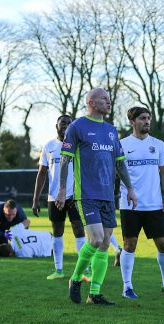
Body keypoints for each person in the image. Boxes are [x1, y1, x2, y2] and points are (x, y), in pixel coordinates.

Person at [56, 87, 137, 306]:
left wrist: (130, 188)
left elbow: (120, 162)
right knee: (95, 239)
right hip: (87, 194)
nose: (109, 102)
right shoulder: (77, 127)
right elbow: (65, 159)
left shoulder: (111, 130)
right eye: (104, 99)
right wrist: (62, 189)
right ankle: (75, 279)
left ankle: (95, 293)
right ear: (91, 102)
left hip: (108, 196)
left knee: (103, 246)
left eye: (109, 99)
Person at [119, 106, 164, 299]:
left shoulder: (159, 144)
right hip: (129, 205)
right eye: (142, 118)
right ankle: (127, 287)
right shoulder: (121, 144)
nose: (147, 121)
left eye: (148, 118)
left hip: (154, 204)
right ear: (132, 122)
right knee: (129, 245)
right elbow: (116, 172)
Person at [32, 114, 88, 280]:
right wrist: (36, 199)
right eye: (63, 122)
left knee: (80, 231)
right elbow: (41, 174)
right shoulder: (49, 146)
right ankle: (59, 270)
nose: (66, 125)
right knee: (57, 232)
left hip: (75, 196)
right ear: (56, 125)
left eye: (70, 123)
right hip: (54, 196)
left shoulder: (78, 145)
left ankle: (84, 271)